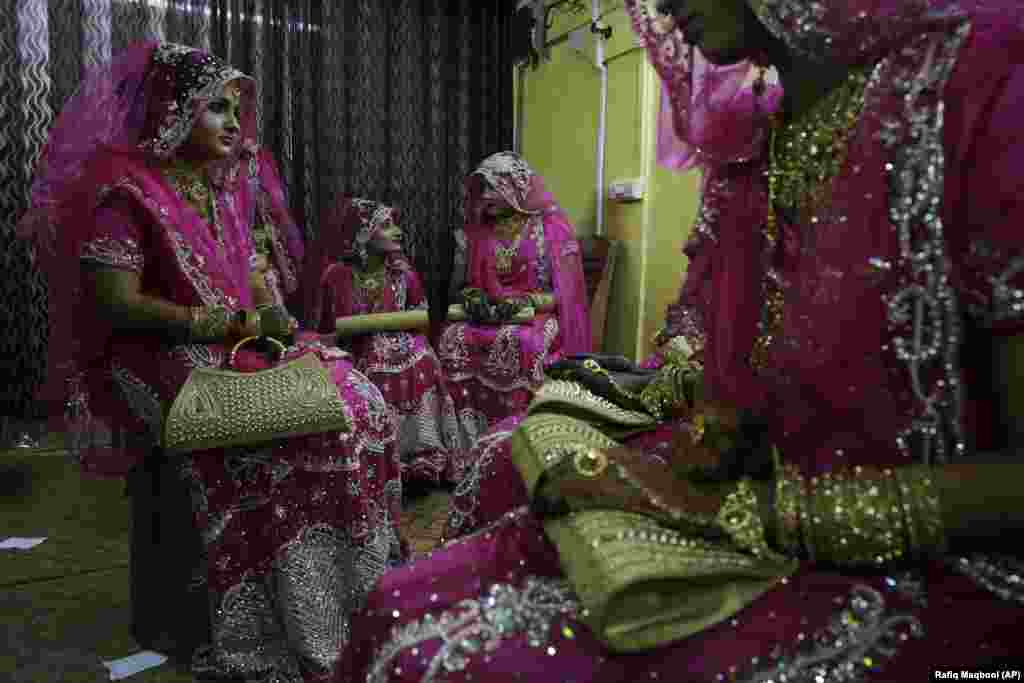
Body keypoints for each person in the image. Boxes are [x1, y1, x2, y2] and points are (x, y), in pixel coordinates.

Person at [335, 0, 1024, 680]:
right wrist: (710, 439)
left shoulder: (976, 81)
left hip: (929, 567)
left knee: (424, 656)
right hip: (764, 502)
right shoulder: (774, 132)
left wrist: (750, 509)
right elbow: (771, 384)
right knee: (400, 605)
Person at [17, 42, 404, 682]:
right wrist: (224, 322)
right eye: (214, 108)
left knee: (362, 400)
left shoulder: (224, 189)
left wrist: (263, 308)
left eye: (235, 109)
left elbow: (240, 283)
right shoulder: (127, 192)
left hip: (228, 344)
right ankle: (265, 618)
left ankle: (343, 599)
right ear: (173, 111)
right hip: (151, 357)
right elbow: (115, 304)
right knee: (292, 440)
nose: (233, 123)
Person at [309, 197, 469, 485]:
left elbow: (421, 319)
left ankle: (423, 457)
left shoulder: (403, 274)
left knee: (423, 359)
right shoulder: (336, 277)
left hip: (406, 343)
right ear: (362, 233)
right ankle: (383, 458)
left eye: (395, 224)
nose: (397, 231)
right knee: (374, 362)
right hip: (353, 350)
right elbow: (323, 333)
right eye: (386, 225)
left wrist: (400, 339)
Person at [437, 152, 592, 440]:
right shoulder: (476, 232)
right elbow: (465, 285)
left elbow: (564, 295)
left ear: (515, 188)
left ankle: (522, 437)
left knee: (526, 342)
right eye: (482, 188)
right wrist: (472, 296)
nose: (485, 196)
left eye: (492, 187)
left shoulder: (548, 228)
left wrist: (527, 302)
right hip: (490, 314)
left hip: (535, 314)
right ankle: (466, 441)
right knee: (452, 337)